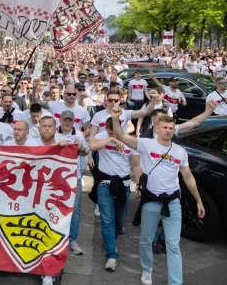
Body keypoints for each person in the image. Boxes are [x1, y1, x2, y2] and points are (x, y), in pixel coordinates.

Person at [110, 107, 205, 285]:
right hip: (151, 202)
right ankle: (147, 270)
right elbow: (121, 137)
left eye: (171, 128)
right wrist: (115, 119)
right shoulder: (145, 144)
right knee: (146, 240)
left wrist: (198, 200)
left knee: (173, 245)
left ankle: (175, 282)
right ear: (157, 128)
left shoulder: (180, 152)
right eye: (164, 127)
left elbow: (187, 176)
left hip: (173, 203)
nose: (168, 130)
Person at [88, 117, 130, 272]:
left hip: (124, 185)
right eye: (109, 130)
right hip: (105, 184)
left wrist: (140, 183)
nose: (112, 133)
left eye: (115, 130)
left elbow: (137, 164)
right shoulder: (103, 136)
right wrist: (110, 139)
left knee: (119, 221)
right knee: (107, 220)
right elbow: (91, 144)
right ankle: (112, 255)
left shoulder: (129, 139)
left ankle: (110, 239)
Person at [55, 109, 89, 256]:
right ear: (60, 120)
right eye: (65, 120)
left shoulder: (79, 134)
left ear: (74, 122)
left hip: (74, 176)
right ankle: (56, 237)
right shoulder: (54, 134)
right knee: (55, 206)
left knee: (75, 209)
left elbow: (86, 151)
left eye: (70, 120)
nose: (67, 122)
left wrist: (80, 147)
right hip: (55, 176)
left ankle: (72, 239)